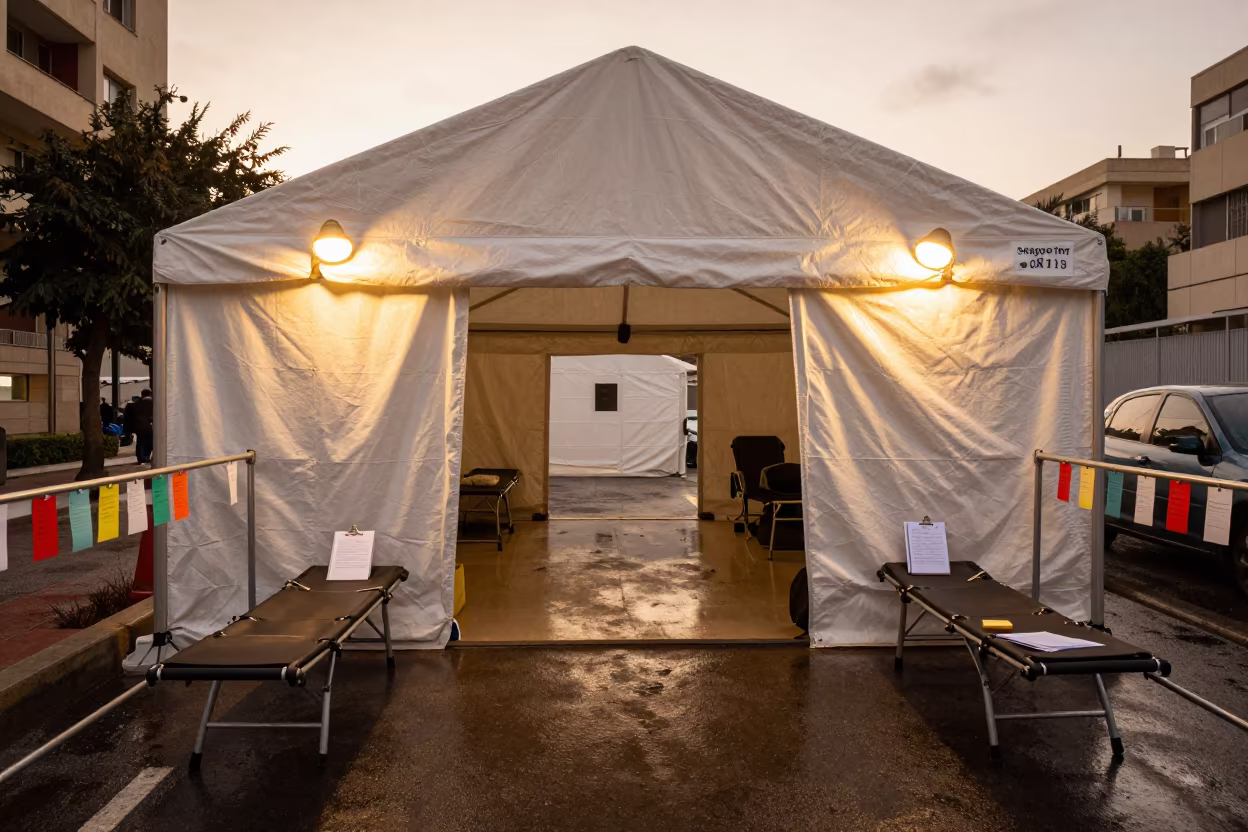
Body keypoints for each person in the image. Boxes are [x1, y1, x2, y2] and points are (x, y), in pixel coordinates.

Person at [133, 389, 155, 465]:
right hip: (149, 426)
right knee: (149, 442)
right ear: (150, 394)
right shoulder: (153, 403)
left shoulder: (136, 403)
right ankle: (146, 456)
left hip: (139, 426)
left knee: (140, 442)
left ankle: (140, 458)